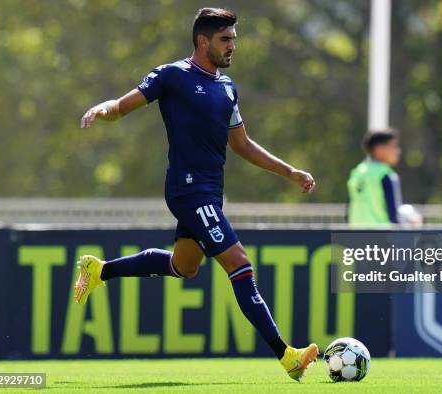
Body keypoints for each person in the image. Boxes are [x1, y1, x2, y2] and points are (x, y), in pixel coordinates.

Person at [76, 8, 318, 381]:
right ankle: (286, 355)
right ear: (202, 41)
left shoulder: (227, 87)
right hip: (188, 190)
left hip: (210, 192)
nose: (233, 46)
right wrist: (100, 108)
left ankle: (101, 271)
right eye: (226, 39)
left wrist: (289, 171)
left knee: (184, 266)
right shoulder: (173, 75)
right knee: (239, 264)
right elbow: (123, 106)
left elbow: (242, 144)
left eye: (234, 39)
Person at [347, 128, 403, 226]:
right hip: (381, 237)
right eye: (393, 146)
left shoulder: (356, 173)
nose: (398, 151)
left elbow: (348, 211)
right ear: (379, 149)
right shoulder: (386, 175)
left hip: (354, 235)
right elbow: (394, 216)